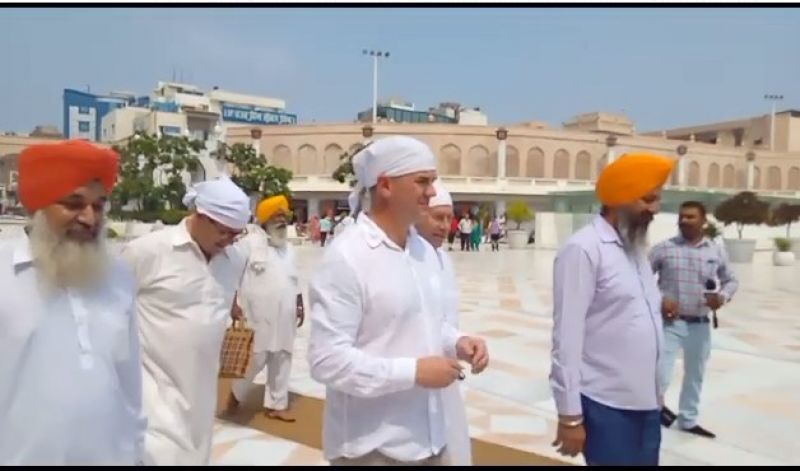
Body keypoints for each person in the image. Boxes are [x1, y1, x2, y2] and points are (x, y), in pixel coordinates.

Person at [308, 136, 488, 466]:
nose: (431, 192)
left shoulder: (422, 252)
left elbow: (425, 324)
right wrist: (413, 373)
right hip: (373, 450)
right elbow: (327, 360)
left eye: (432, 181)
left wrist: (458, 342)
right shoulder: (348, 257)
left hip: (430, 440)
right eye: (422, 181)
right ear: (386, 186)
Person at [0, 140, 145, 465]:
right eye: (73, 204)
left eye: (99, 205)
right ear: (38, 205)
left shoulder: (118, 277)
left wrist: (136, 451)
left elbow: (129, 383)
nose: (89, 219)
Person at [550, 152, 675, 466]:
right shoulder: (584, 249)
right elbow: (567, 337)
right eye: (648, 199)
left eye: (657, 199)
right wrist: (569, 416)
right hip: (606, 406)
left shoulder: (635, 248)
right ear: (621, 197)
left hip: (647, 403)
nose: (655, 209)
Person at [120, 176, 251, 466]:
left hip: (200, 399)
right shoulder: (147, 251)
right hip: (152, 395)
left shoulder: (235, 259)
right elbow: (111, 316)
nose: (228, 241)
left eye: (236, 234)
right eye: (223, 231)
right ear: (200, 215)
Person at [414, 179, 489, 466]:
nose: (445, 226)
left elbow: (441, 321)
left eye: (449, 218)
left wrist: (460, 342)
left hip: (445, 373)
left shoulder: (442, 258)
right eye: (438, 217)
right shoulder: (407, 258)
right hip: (414, 379)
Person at [650, 201, 738, 439]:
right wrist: (660, 299)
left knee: (695, 374)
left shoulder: (715, 251)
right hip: (670, 323)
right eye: (682, 216)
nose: (684, 221)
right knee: (660, 375)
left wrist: (722, 297)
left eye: (690, 217)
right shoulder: (664, 248)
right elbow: (641, 277)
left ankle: (688, 420)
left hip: (699, 324)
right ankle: (651, 414)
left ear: (703, 221)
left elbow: (731, 280)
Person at [226, 195, 304, 423]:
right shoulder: (248, 244)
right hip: (257, 314)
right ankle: (236, 395)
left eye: (284, 217)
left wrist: (299, 303)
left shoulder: (289, 249)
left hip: (285, 313)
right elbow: (230, 274)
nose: (282, 221)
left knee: (283, 356)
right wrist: (232, 303)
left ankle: (277, 405)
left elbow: (294, 278)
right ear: (265, 220)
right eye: (276, 217)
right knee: (256, 358)